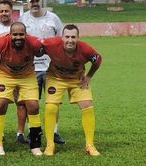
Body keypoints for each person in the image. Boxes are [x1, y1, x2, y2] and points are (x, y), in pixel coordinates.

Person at [41, 25, 103, 156]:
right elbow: (35, 46)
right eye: (67, 37)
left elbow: (98, 60)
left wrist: (89, 77)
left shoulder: (85, 49)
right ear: (62, 37)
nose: (70, 40)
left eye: (73, 37)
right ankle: (50, 145)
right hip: (55, 78)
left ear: (78, 38)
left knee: (88, 107)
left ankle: (90, 145)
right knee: (51, 108)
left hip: (77, 80)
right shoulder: (51, 43)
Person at [0, 22, 44, 156]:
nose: (18, 37)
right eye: (15, 34)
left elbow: (44, 51)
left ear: (26, 34)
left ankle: (35, 145)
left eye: (21, 34)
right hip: (6, 75)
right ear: (10, 34)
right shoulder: (1, 43)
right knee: (0, 104)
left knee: (34, 106)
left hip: (27, 75)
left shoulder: (33, 43)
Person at [19, 0, 66, 145]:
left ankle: (54, 131)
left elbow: (62, 41)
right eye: (32, 1)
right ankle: (33, 131)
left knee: (53, 101)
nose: (35, 4)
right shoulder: (22, 19)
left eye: (37, 1)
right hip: (30, 69)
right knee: (30, 102)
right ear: (27, 3)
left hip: (51, 68)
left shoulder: (53, 18)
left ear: (41, 1)